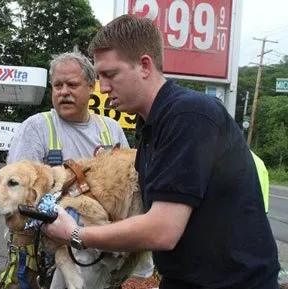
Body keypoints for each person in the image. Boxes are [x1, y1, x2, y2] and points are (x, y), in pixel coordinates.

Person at [43, 14, 280, 289]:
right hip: (186, 279)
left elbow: (162, 230)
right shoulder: (151, 125)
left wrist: (75, 233)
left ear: (144, 65)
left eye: (111, 74)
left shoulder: (188, 115)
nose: (103, 88)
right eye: (99, 77)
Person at [8, 51, 153, 289]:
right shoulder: (36, 128)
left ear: (91, 86)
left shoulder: (111, 130)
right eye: (57, 85)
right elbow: (18, 199)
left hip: (102, 255)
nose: (63, 92)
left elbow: (132, 189)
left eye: (72, 85)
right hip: (46, 256)